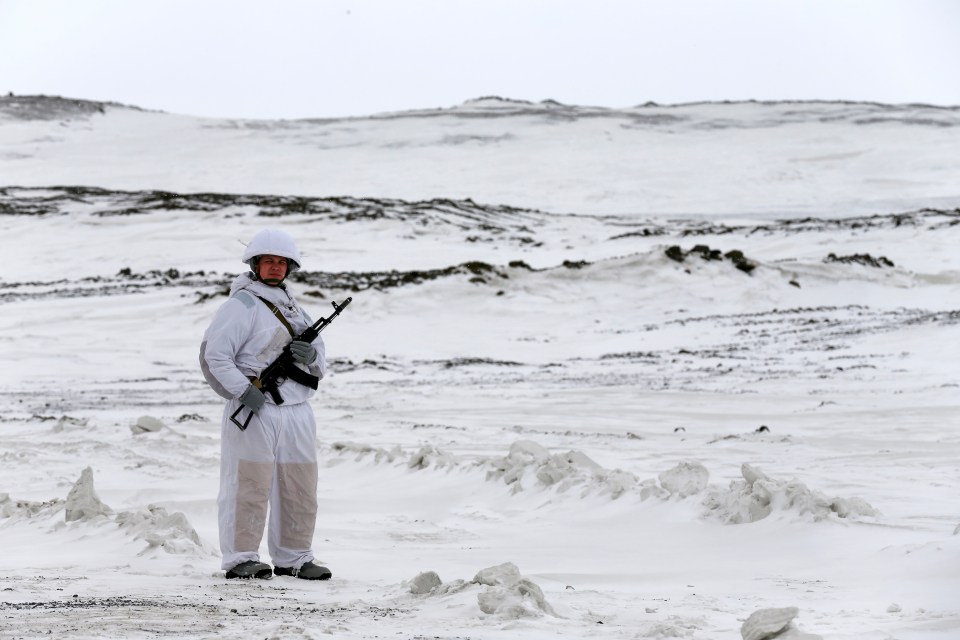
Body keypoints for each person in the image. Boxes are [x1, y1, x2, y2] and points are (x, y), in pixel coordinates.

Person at [199, 228, 331, 580]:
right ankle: (241, 557)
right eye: (268, 261)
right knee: (248, 484)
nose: (275, 267)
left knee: (300, 485)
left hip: (298, 410)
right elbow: (216, 355)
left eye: (281, 262)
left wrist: (311, 355)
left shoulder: (295, 307)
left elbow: (320, 362)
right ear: (255, 264)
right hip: (255, 409)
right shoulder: (241, 305)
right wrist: (244, 391)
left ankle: (295, 557)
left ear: (290, 267)